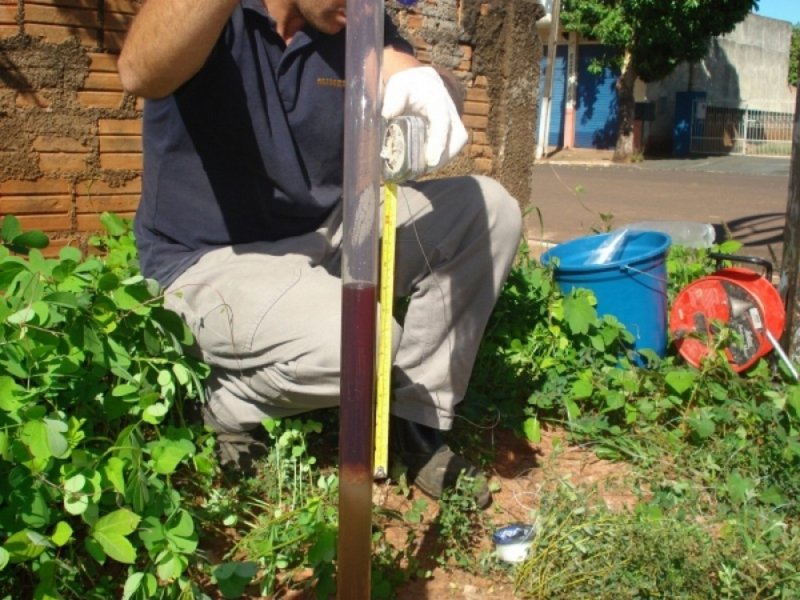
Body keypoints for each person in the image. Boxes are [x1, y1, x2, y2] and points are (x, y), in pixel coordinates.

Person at [117, 0, 522, 508]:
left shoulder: (353, 17)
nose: (365, 11)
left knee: (488, 211)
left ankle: (414, 422)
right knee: (365, 342)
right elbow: (138, 71)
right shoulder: (209, 15)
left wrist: (425, 86)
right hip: (210, 259)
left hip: (330, 234)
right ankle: (230, 403)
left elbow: (392, 64)